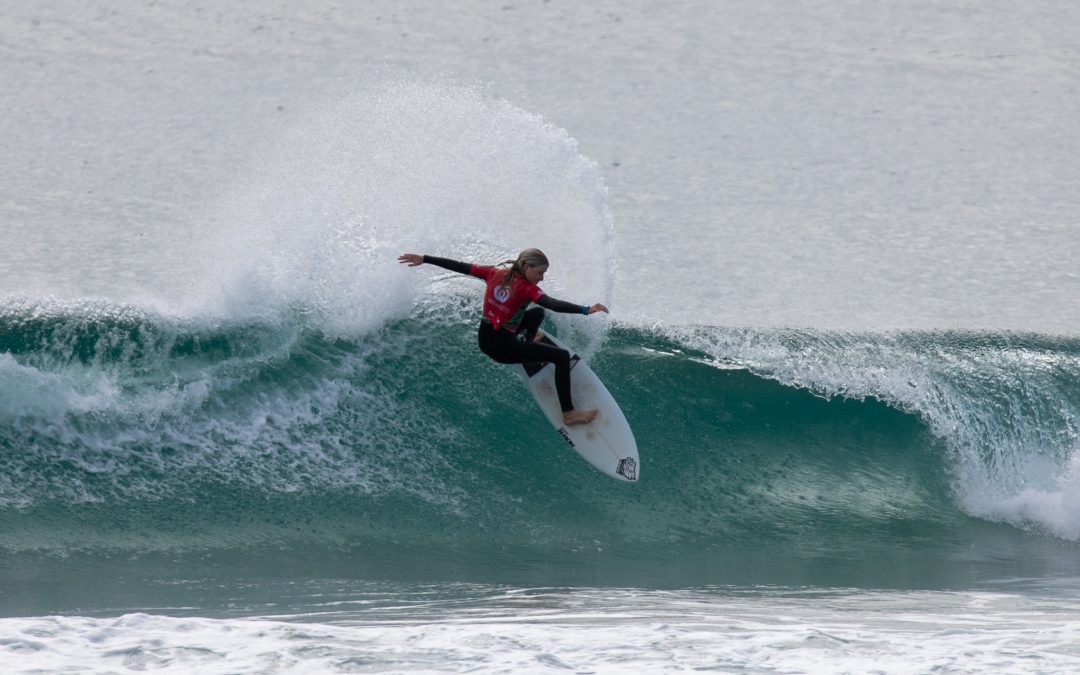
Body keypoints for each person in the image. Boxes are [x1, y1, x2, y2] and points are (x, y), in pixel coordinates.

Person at [398, 248, 609, 426]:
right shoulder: (528, 289)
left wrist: (425, 259)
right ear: (526, 267)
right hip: (503, 349)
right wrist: (585, 309)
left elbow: (460, 266)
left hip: (486, 338)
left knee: (537, 313)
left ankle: (529, 339)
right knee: (561, 357)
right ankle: (568, 413)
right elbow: (553, 303)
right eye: (540, 273)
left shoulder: (493, 273)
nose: (542, 277)